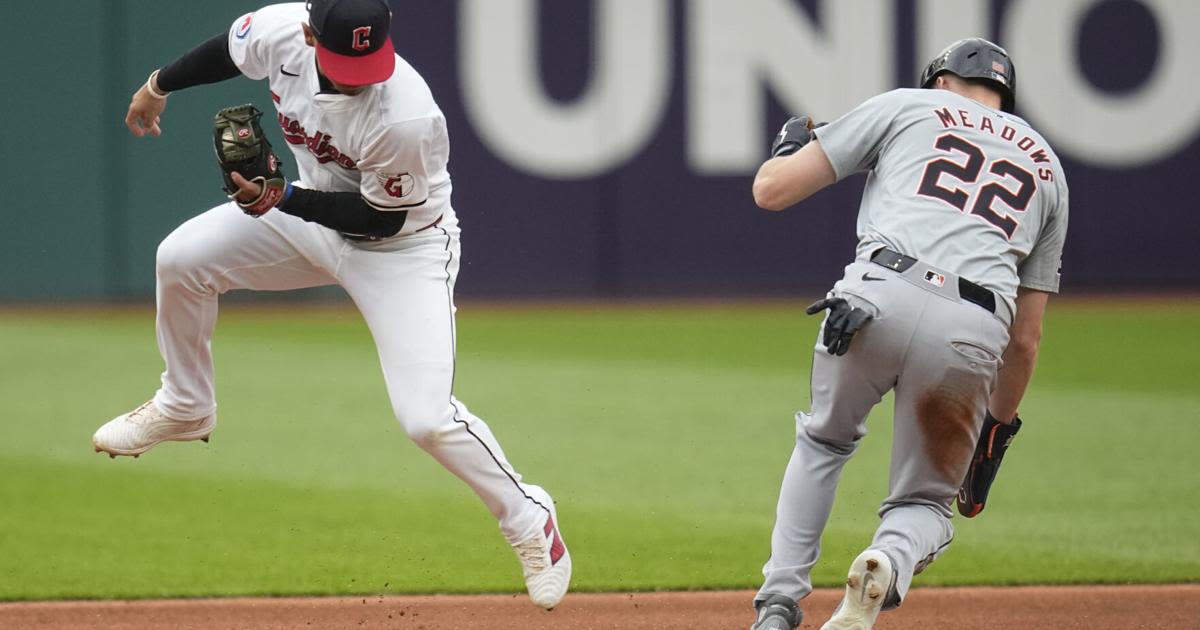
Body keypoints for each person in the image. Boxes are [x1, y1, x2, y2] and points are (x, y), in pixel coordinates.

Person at [90, 0, 570, 610]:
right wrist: (157, 85)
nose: (357, 73)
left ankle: (530, 521)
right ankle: (185, 405)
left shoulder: (407, 114)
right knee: (180, 259)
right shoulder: (280, 31)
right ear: (309, 33)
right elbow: (227, 51)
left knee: (426, 419)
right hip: (310, 213)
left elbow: (381, 217)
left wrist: (281, 196)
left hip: (405, 251)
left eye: (368, 60)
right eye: (344, 58)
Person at [747, 38, 1068, 630]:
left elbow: (772, 190)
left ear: (941, 82)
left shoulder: (909, 106)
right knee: (925, 504)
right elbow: (1027, 340)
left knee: (825, 442)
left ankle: (778, 604)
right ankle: (887, 562)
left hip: (874, 296)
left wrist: (787, 151)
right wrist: (995, 430)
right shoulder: (1047, 166)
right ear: (1004, 99)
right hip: (973, 327)